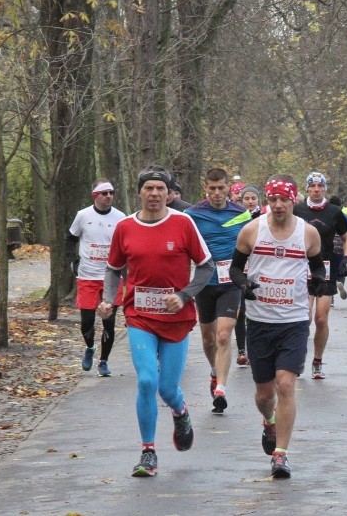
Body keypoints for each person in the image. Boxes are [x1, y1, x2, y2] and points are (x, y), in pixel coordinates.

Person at [96, 167, 215, 477]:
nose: (154, 194)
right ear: (139, 192)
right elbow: (112, 268)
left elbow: (206, 267)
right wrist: (109, 299)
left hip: (176, 318)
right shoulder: (125, 227)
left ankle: (181, 410)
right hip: (139, 316)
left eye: (160, 189)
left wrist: (185, 295)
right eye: (148, 188)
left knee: (167, 388)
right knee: (147, 381)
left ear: (169, 193)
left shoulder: (183, 223)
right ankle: (148, 451)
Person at [229, 174, 325, 479]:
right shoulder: (251, 231)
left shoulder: (308, 234)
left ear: (293, 199)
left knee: (285, 385)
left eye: (284, 199)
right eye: (273, 199)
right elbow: (233, 268)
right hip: (259, 321)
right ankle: (268, 420)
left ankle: (281, 455)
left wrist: (322, 280)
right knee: (263, 394)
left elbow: (318, 267)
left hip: (294, 321)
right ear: (267, 200)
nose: (278, 205)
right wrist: (244, 283)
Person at [185, 168, 252, 414]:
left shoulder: (242, 214)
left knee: (224, 336)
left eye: (221, 188)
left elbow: (250, 246)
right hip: (204, 283)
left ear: (228, 188)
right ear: (206, 188)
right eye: (212, 188)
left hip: (230, 282)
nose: (216, 193)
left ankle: (221, 388)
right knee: (208, 339)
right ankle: (214, 372)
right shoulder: (192, 215)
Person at [293, 171, 347, 379]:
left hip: (326, 270)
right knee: (304, 317)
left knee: (320, 318)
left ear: (325, 188)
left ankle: (317, 361)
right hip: (302, 268)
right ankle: (298, 357)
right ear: (307, 188)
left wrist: (346, 258)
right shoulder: (297, 210)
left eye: (320, 186)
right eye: (313, 186)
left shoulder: (335, 211)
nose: (317, 189)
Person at [66, 179, 127, 377]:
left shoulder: (120, 217)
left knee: (108, 322)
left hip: (112, 276)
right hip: (87, 276)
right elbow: (71, 239)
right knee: (87, 322)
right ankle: (90, 347)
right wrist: (73, 260)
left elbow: (127, 245)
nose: (109, 196)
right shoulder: (83, 216)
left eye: (111, 192)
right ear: (95, 195)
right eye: (104, 193)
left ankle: (103, 361)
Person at [234, 184, 264, 367]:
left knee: (256, 311)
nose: (250, 201)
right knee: (241, 311)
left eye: (253, 198)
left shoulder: (265, 219)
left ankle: (255, 349)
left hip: (260, 268)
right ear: (241, 200)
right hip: (240, 268)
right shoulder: (236, 218)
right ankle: (241, 350)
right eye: (247, 198)